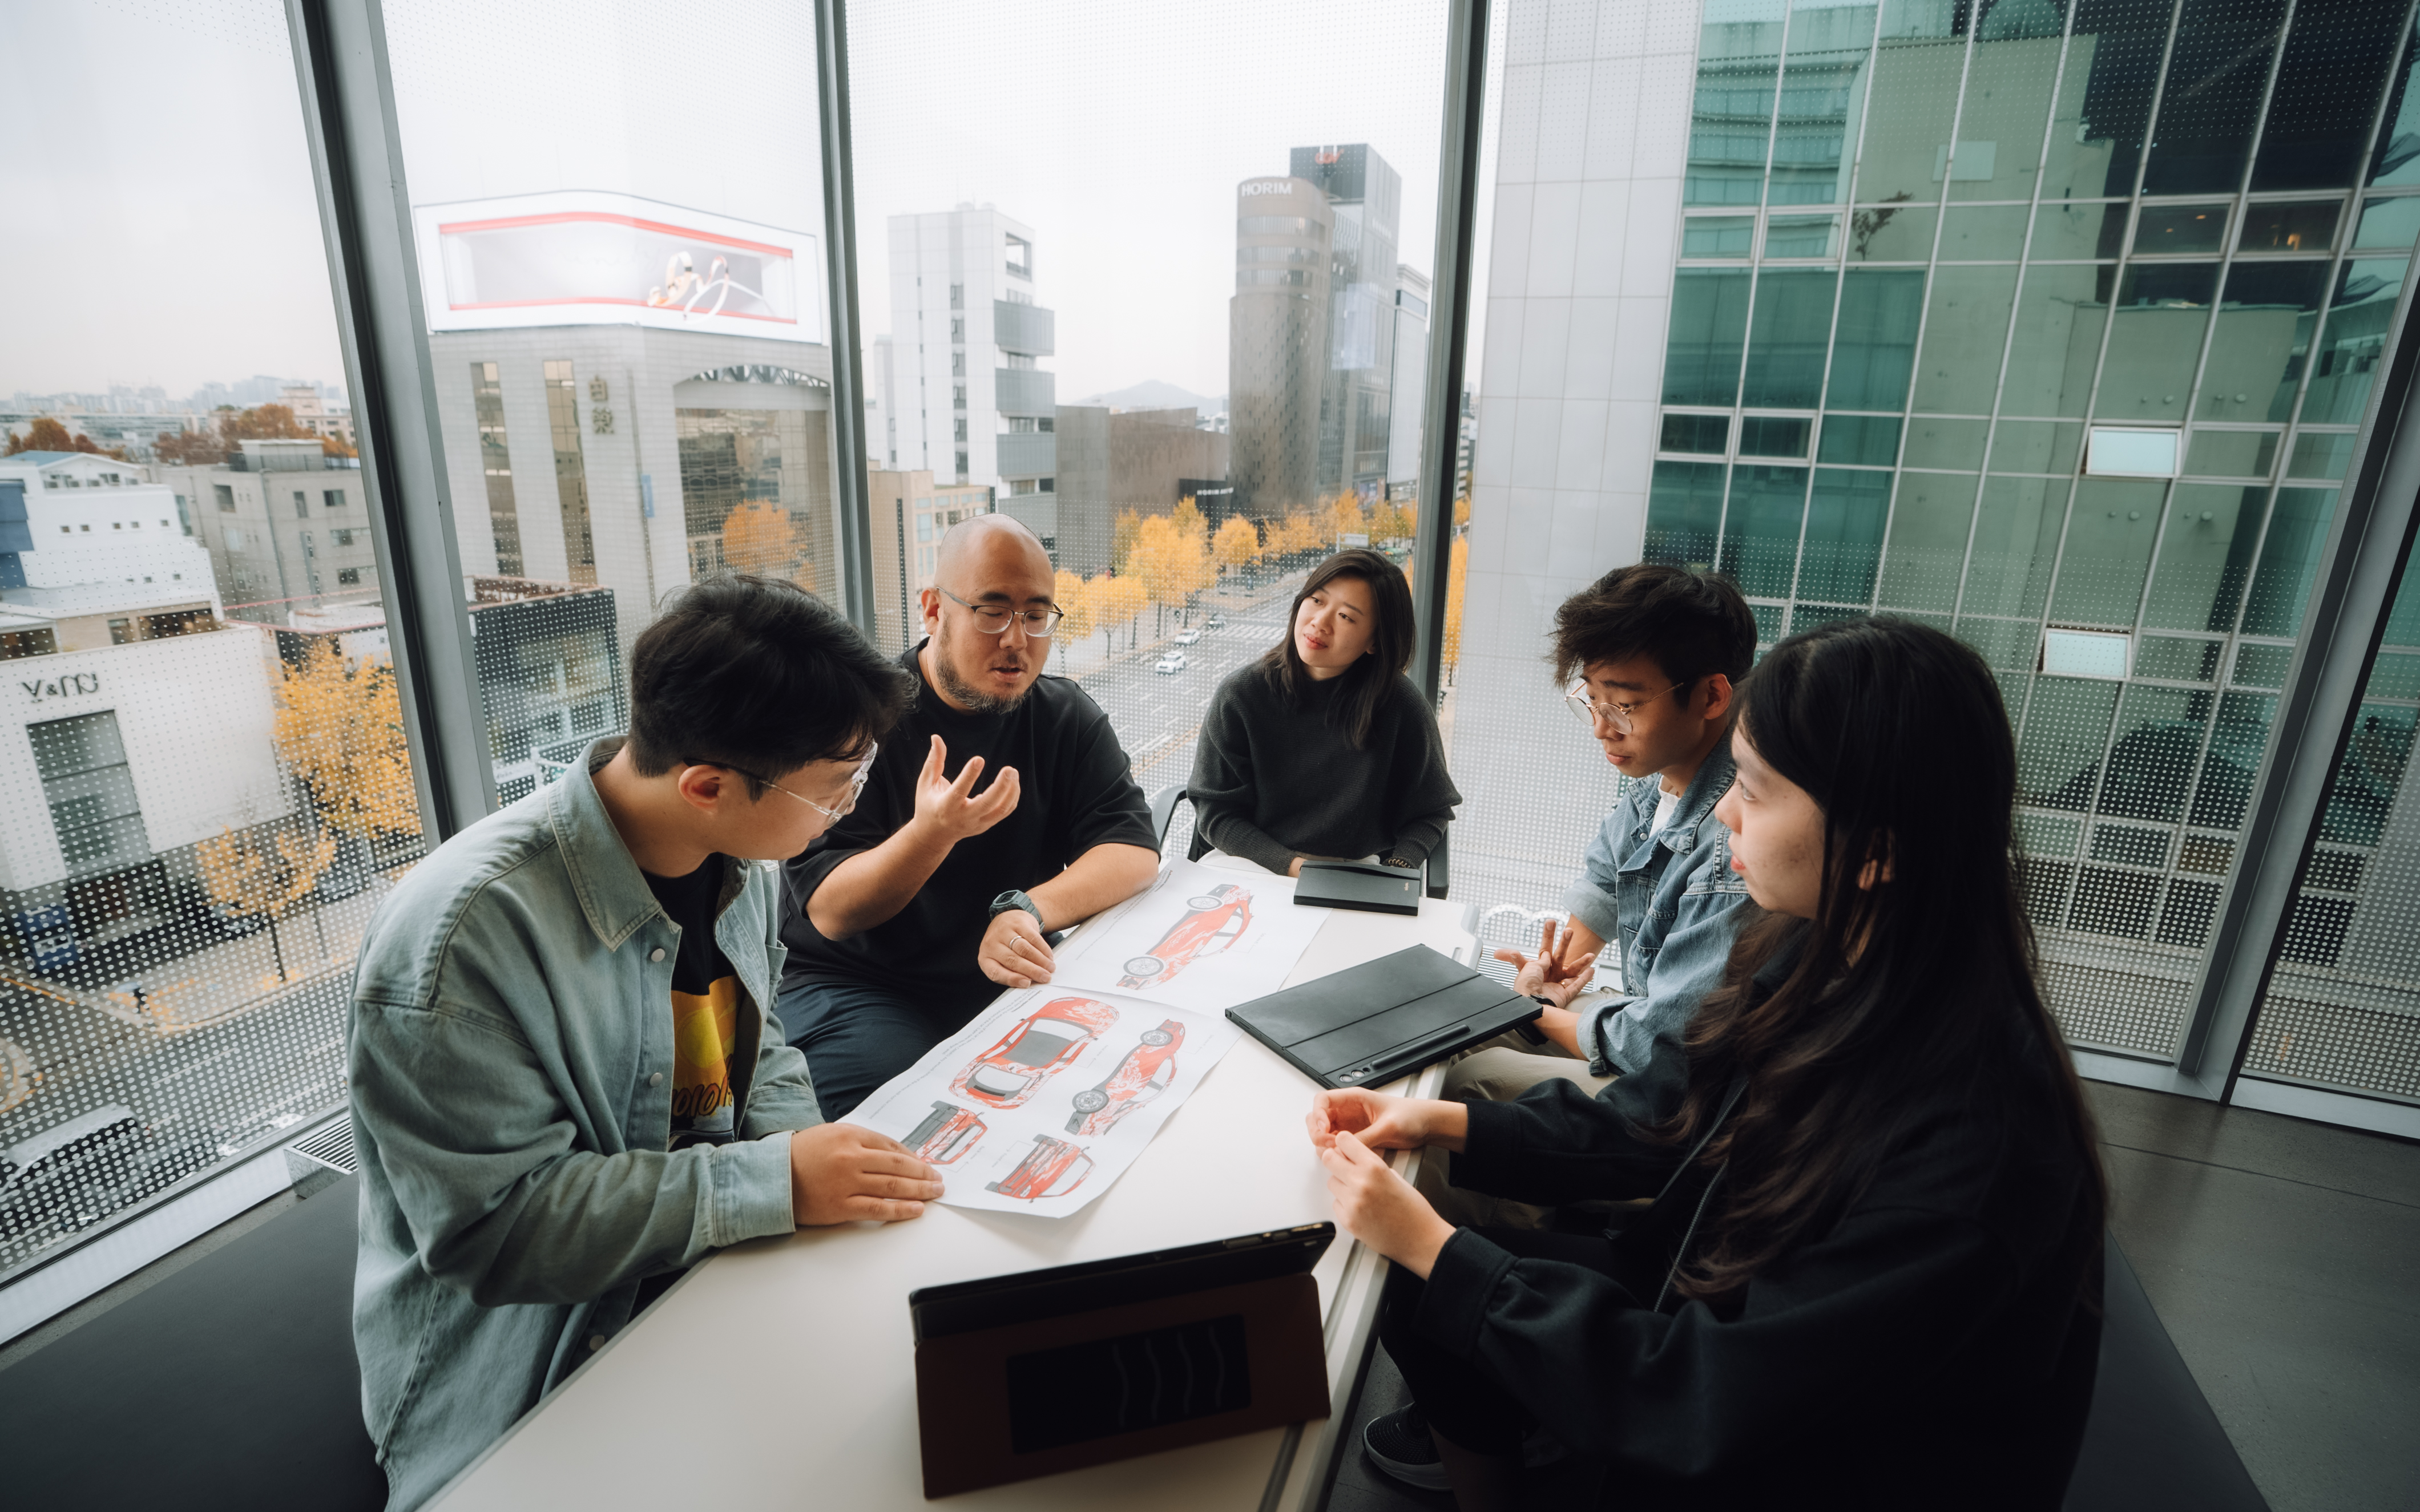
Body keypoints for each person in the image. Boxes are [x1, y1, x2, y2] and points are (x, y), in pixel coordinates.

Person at [1307, 616, 2110, 1510]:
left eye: (1756, 792)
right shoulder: (1829, 953)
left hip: (1800, 1444)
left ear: (1877, 850)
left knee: (1433, 1272)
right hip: (1719, 1302)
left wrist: (1431, 1241)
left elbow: (1711, 1396)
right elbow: (1675, 1115)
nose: (1725, 809)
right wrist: (1441, 1122)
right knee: (1424, 1289)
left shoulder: (1971, 1145)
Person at [348, 575, 947, 1511]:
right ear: (707, 785)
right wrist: (776, 1182)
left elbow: (763, 1045)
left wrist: (801, 1154)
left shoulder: (736, 866)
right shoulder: (461, 938)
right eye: (839, 787)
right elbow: (500, 1235)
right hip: (534, 1375)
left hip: (708, 1274)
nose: (848, 807)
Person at [777, 515, 1160, 1116]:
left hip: (1001, 977)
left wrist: (1027, 909)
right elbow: (831, 909)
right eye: (992, 611)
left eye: (1036, 615)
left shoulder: (1065, 717)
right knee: (910, 1124)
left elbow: (1132, 849)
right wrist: (932, 834)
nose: (1016, 639)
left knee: (1119, 1088)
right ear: (933, 610)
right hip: (857, 985)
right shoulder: (859, 722)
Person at [1451, 563, 1758, 1111]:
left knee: (1474, 1077)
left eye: (1623, 705)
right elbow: (1604, 889)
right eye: (1592, 698)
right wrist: (1552, 979)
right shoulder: (1659, 780)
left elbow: (1655, 1046)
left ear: (1712, 697)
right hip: (1655, 1028)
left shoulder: (1733, 842)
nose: (1600, 726)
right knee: (1465, 1035)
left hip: (1694, 1097)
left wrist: (1538, 1012)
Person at [1188, 548, 1461, 878]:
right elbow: (1217, 813)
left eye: (1346, 616)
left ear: (1374, 641)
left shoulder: (1400, 706)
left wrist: (1397, 870)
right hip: (1251, 864)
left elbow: (1430, 810)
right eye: (1317, 600)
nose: (1320, 622)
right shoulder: (1241, 695)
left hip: (1350, 874)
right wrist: (1294, 868)